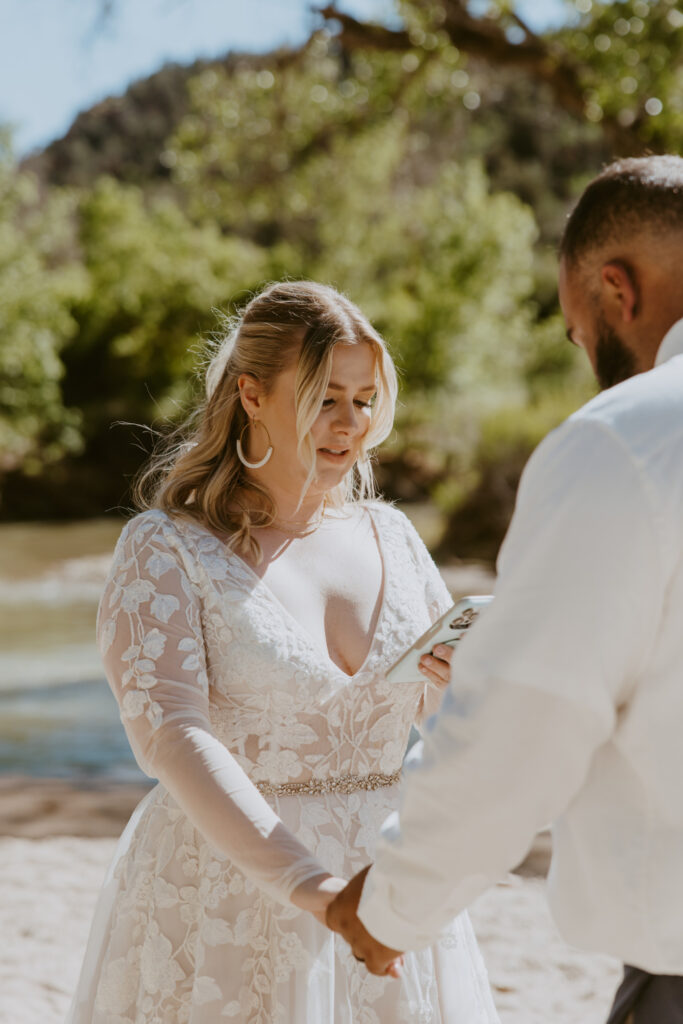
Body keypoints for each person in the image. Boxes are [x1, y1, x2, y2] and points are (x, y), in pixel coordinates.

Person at [67, 281, 500, 1023]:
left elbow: (442, 718)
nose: (349, 424)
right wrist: (313, 890)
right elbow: (172, 734)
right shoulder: (165, 549)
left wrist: (469, 683)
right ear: (251, 394)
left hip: (385, 888)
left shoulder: (390, 535)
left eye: (364, 400)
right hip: (227, 895)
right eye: (325, 397)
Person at [326, 154, 683, 1024]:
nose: (585, 356)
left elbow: (524, 728)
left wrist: (390, 908)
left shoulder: (624, 440)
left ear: (613, 292)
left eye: (574, 333)